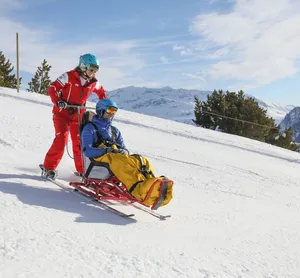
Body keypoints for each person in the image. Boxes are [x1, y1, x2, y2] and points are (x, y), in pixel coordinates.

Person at [81, 98, 173, 209]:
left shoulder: (115, 130)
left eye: (114, 111)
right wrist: (107, 150)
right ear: (100, 111)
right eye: (109, 110)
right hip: (98, 158)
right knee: (121, 162)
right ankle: (138, 190)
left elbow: (124, 149)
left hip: (116, 156)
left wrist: (122, 151)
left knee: (141, 160)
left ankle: (152, 186)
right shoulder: (90, 128)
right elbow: (88, 151)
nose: (112, 114)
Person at [41, 53, 107, 179]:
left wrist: (104, 104)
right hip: (62, 112)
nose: (94, 72)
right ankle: (48, 167)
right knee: (62, 139)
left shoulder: (93, 82)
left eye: (96, 70)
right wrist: (58, 101)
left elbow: (102, 93)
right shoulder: (68, 76)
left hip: (78, 114)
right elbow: (52, 88)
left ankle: (82, 170)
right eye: (92, 69)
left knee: (80, 141)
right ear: (83, 66)